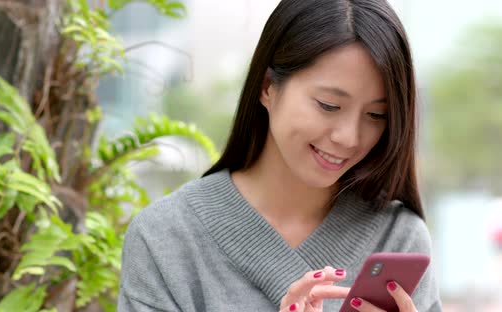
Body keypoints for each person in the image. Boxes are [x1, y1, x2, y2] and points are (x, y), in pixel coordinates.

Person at [118, 0, 442, 311]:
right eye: (329, 105)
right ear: (267, 87)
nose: (349, 137)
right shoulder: (165, 238)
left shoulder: (398, 239)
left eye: (376, 115)